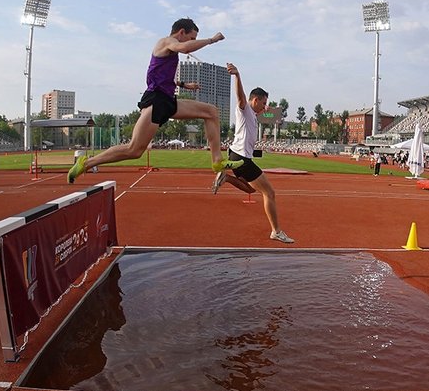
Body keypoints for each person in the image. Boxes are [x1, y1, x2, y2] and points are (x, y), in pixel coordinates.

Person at [67, 18, 243, 184]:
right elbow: (185, 48)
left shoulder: (170, 51)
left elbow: (161, 76)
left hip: (168, 100)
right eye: (191, 37)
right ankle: (87, 163)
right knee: (134, 150)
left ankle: (217, 161)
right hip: (156, 100)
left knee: (211, 111)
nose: (192, 41)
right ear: (181, 32)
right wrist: (211, 40)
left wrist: (184, 84)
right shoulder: (165, 42)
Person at [212, 63, 294, 243]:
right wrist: (237, 76)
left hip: (237, 155)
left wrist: (269, 109)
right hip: (241, 157)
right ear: (255, 100)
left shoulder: (253, 114)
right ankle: (276, 231)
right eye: (263, 103)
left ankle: (225, 178)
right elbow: (240, 97)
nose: (264, 107)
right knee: (270, 193)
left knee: (250, 188)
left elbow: (266, 112)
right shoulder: (245, 109)